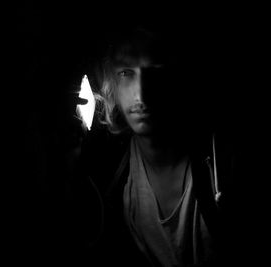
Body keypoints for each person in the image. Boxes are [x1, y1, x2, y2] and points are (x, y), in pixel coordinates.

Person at [65, 26, 236, 266]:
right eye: (126, 73)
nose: (141, 94)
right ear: (110, 80)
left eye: (155, 71)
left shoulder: (220, 158)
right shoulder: (108, 171)